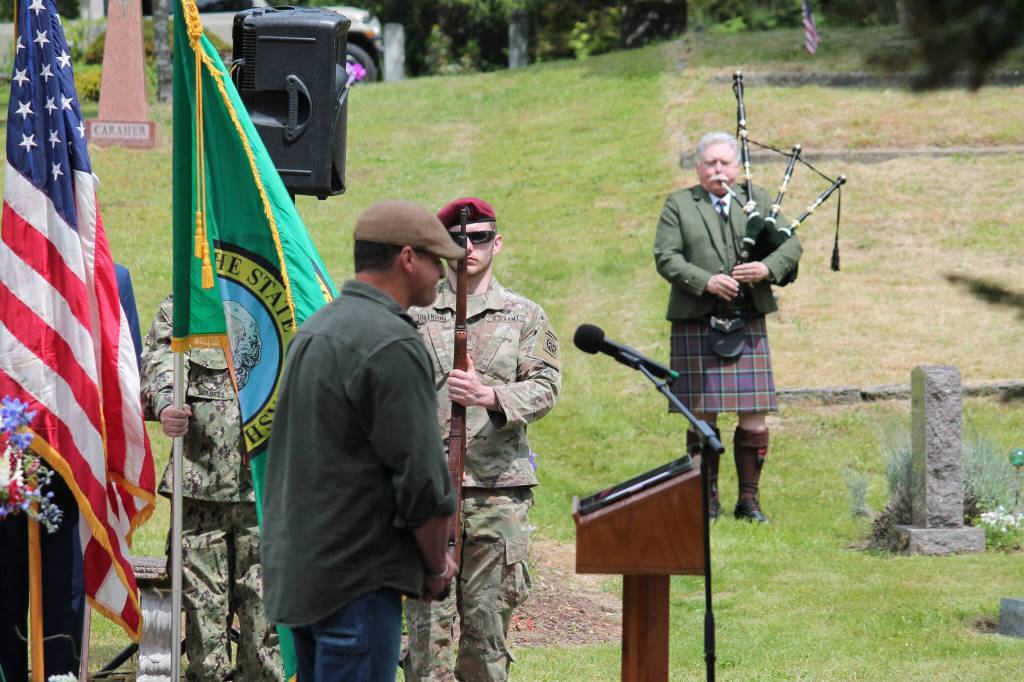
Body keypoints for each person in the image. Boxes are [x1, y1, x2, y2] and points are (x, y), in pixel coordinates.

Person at [260, 199, 462, 682]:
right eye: (436, 260)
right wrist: (435, 565)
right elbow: (421, 479)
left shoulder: (316, 329)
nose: (441, 274)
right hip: (358, 583)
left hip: (306, 576)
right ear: (407, 258)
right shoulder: (390, 342)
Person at [403, 197, 562, 682]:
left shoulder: (524, 315)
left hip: (496, 491)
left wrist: (489, 393)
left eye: (479, 238)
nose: (468, 247)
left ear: (497, 243)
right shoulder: (413, 313)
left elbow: (545, 387)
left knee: (486, 635)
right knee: (425, 637)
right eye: (457, 239)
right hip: (427, 493)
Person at [0, 263, 144, 682]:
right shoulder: (11, 263)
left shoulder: (111, 279)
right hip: (7, 460)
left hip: (74, 467)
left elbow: (124, 372)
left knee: (66, 589)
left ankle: (61, 674)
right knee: (5, 590)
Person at [653, 131, 802, 523]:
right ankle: (706, 500)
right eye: (709, 163)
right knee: (702, 413)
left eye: (724, 162)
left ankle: (748, 502)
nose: (717, 169)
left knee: (754, 412)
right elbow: (666, 257)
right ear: (698, 167)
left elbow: (791, 244)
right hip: (698, 318)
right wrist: (705, 281)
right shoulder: (680, 205)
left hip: (746, 317)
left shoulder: (760, 201)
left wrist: (766, 268)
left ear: (737, 167)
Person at [141, 297, 282, 682]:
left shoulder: (276, 291)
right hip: (200, 489)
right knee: (203, 636)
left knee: (265, 633)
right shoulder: (187, 303)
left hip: (266, 493)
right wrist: (167, 403)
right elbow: (161, 362)